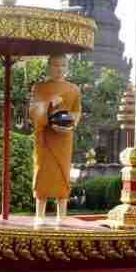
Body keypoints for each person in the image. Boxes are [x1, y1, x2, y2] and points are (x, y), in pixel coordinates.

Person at [29, 54, 81, 226]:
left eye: (63, 66)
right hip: (44, 136)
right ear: (49, 67)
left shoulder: (74, 89)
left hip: (63, 137)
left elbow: (76, 112)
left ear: (68, 67)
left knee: (62, 173)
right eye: (56, 65)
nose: (60, 69)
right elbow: (33, 112)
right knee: (42, 171)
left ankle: (62, 215)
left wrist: (71, 124)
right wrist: (49, 103)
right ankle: (40, 215)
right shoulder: (39, 88)